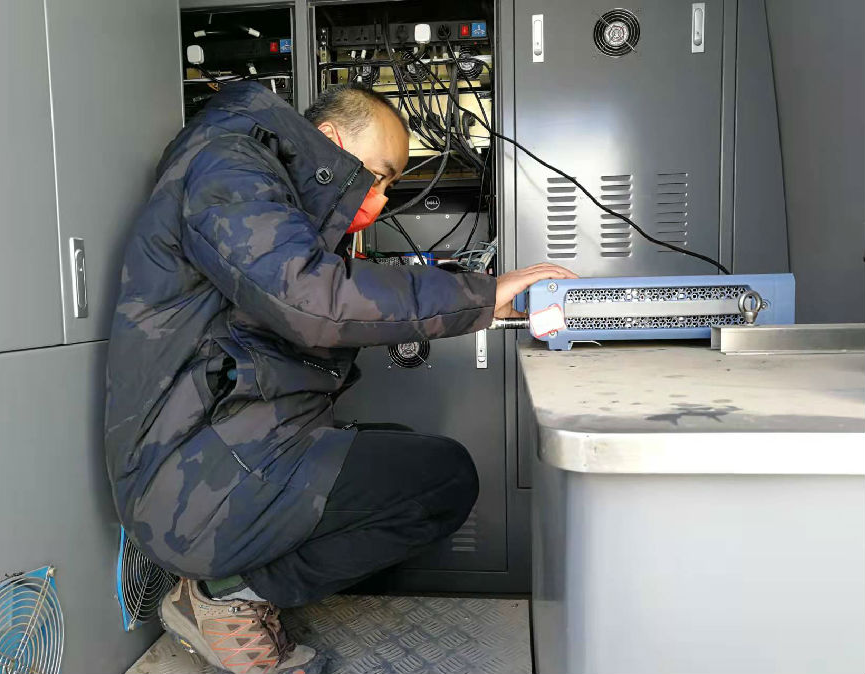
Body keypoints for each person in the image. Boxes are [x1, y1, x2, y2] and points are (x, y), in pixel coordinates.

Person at [105, 81, 575, 673]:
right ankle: (225, 595)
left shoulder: (255, 179)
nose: (380, 198)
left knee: (405, 457)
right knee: (439, 480)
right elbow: (310, 299)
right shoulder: (226, 167)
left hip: (218, 451)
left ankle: (227, 584)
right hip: (188, 481)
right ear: (331, 139)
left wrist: (461, 298)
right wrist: (480, 294)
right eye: (379, 176)